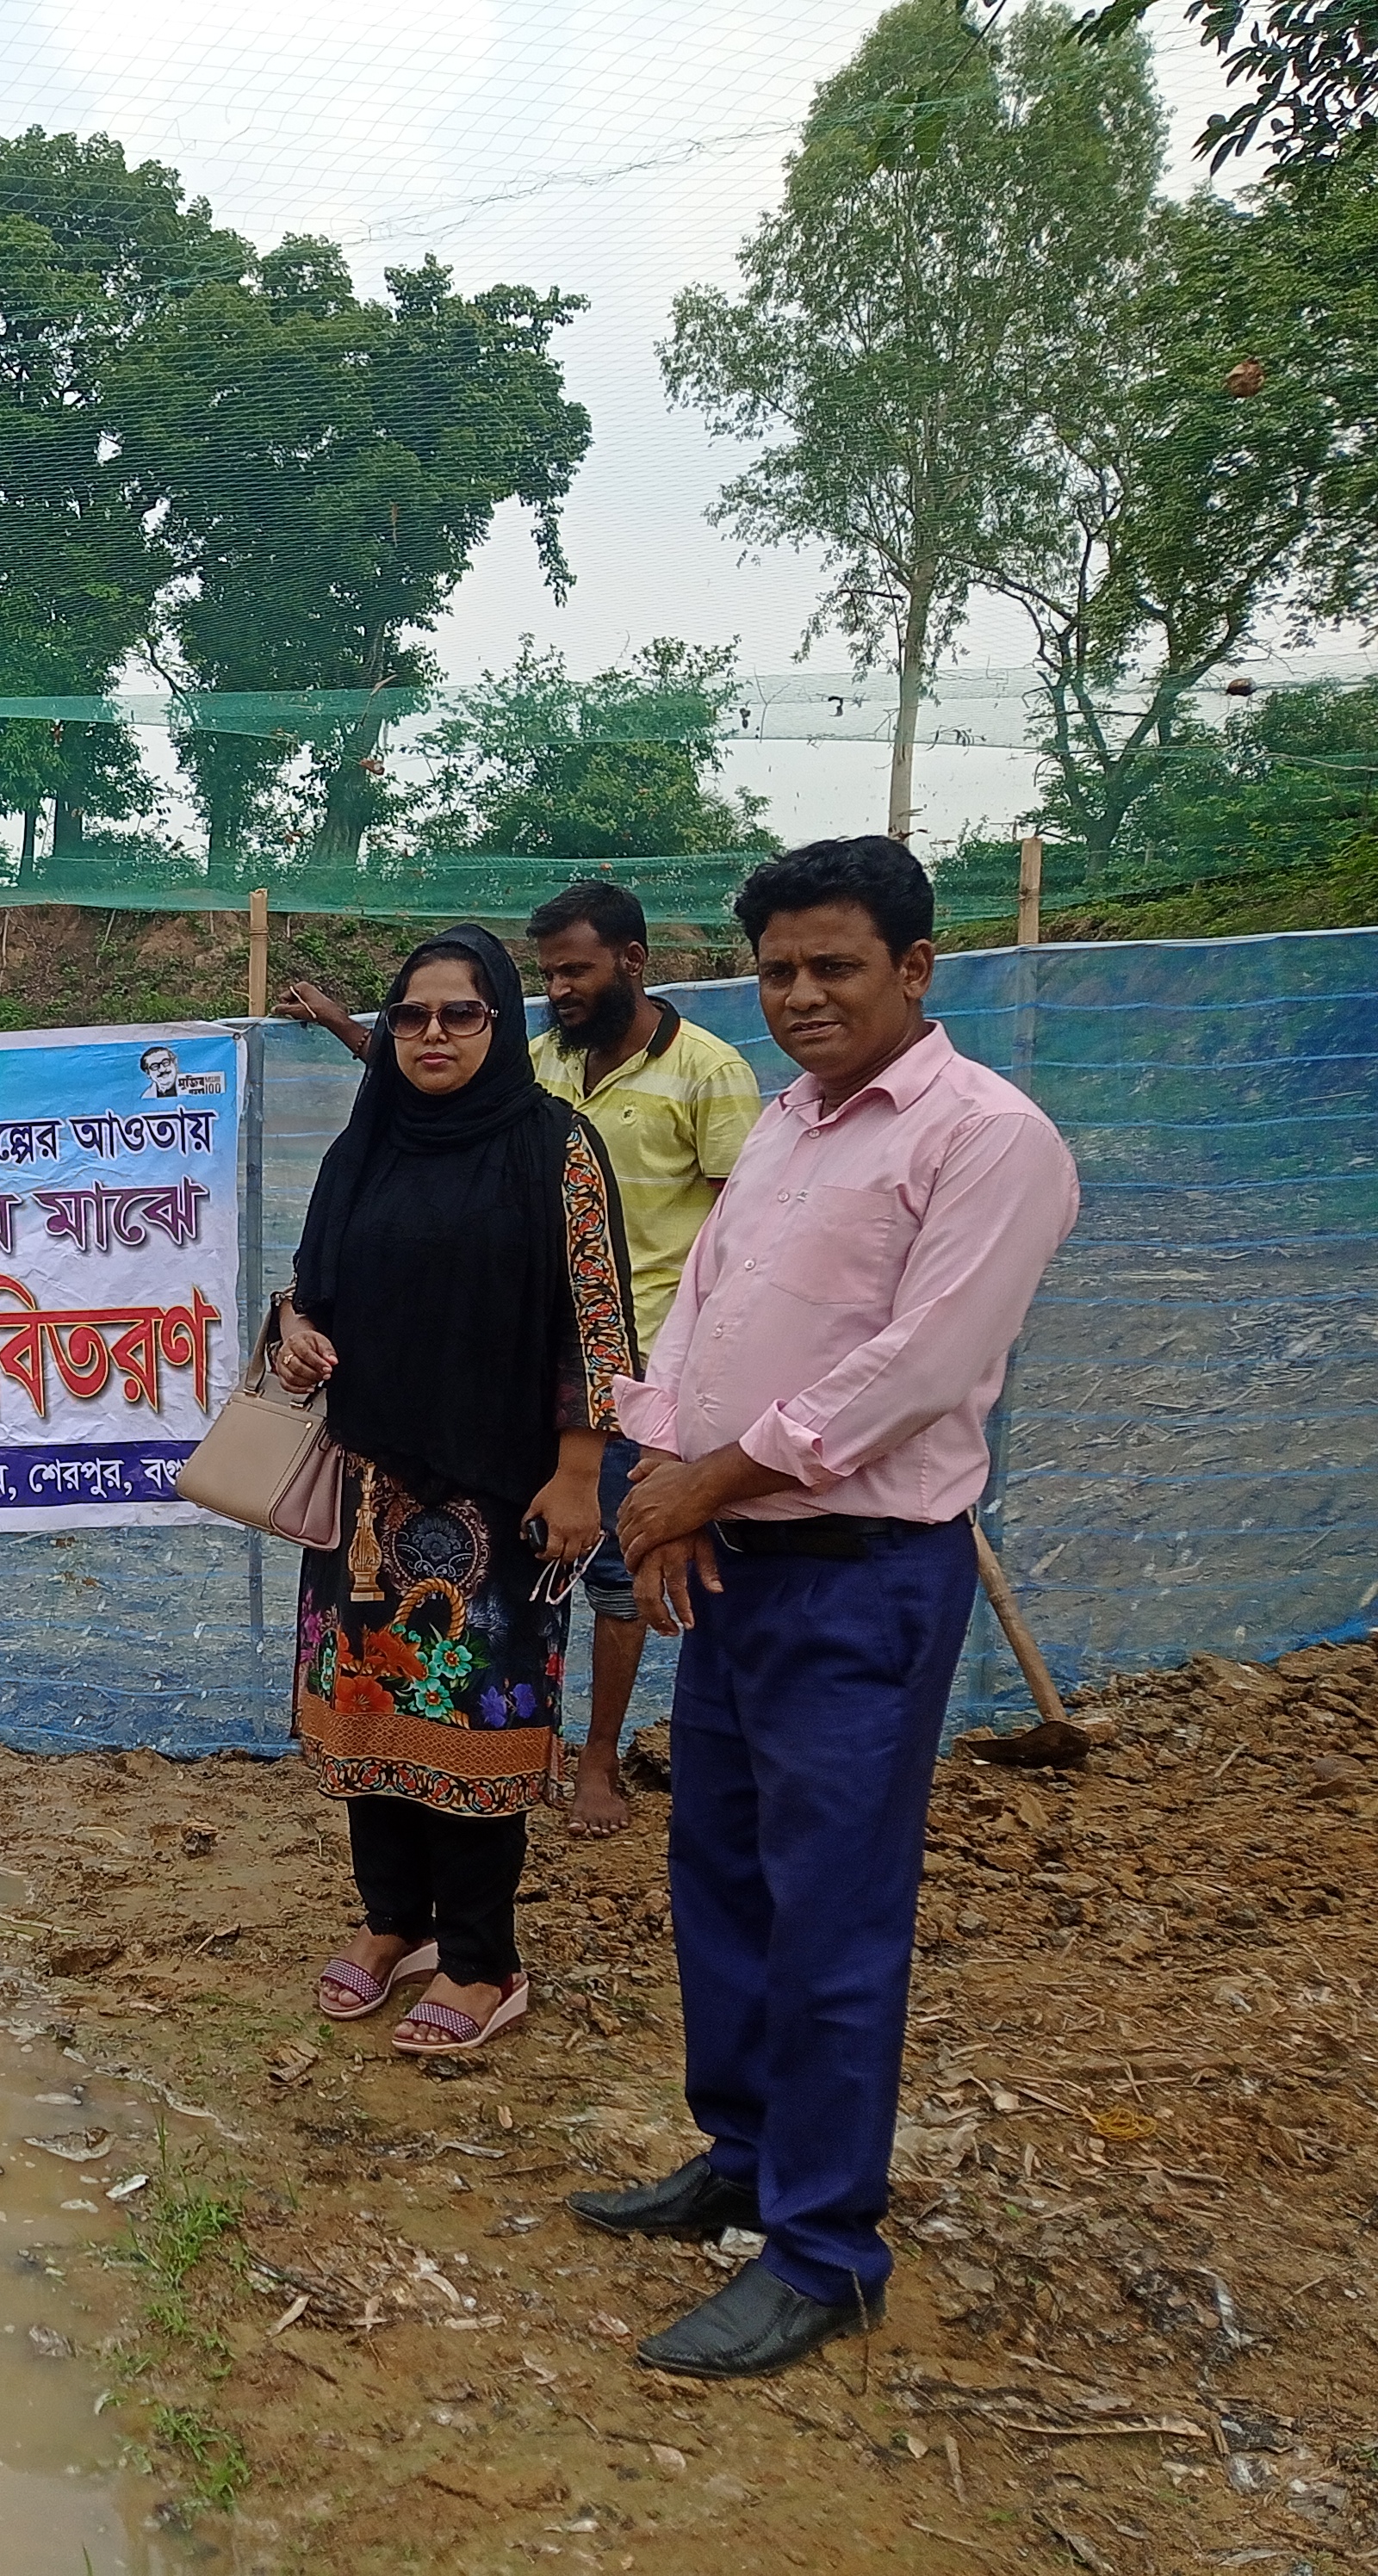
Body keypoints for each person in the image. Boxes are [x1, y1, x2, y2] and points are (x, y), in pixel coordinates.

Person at [580, 835, 1077, 2381]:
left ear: (916, 970)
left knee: (836, 1910)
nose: (802, 997)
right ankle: (740, 2152)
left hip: (858, 1578)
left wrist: (709, 1478)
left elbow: (917, 1368)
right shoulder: (787, 1126)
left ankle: (824, 2248)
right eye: (780, 969)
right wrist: (660, 1477)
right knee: (720, 1871)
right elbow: (707, 1307)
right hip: (731, 1554)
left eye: (836, 967)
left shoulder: (991, 1139)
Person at [270, 924, 638, 2059]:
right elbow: (309, 1291)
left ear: (502, 1023)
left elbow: (599, 1323)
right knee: (374, 1713)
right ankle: (396, 1926)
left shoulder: (553, 1149)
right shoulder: (363, 1144)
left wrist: (582, 1475)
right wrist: (291, 1335)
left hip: (503, 1501)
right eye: (413, 1016)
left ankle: (483, 1961)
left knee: (476, 1729)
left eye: (461, 1014)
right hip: (367, 1491)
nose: (432, 1035)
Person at [523, 881, 760, 1836]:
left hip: (642, 1372)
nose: (561, 989)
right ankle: (523, 1736)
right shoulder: (540, 1062)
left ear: (631, 960)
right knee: (527, 1556)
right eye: (547, 975)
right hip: (533, 1365)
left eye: (575, 970)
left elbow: (743, 1240)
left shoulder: (708, 1072)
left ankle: (597, 1760)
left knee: (619, 1572)